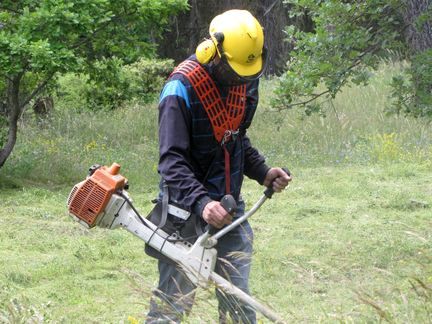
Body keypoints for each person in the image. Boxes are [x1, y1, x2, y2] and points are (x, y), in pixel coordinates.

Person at [146, 9, 292, 323]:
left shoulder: (245, 80)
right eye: (236, 71)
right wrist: (202, 203)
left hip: (230, 212)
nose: (243, 79)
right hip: (183, 214)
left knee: (238, 301)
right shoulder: (179, 90)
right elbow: (171, 161)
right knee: (172, 306)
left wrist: (263, 171)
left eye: (248, 71)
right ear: (212, 52)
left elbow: (234, 137)